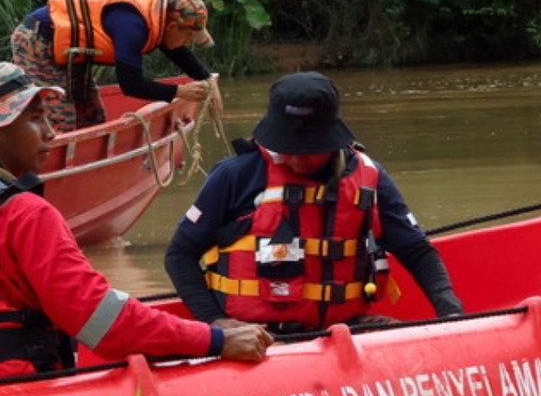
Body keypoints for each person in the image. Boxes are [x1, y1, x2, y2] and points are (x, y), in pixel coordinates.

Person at [0, 61, 271, 385]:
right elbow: (106, 324)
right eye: (35, 119)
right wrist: (213, 339)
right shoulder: (22, 214)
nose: (51, 133)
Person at [164, 72, 463, 337]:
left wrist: (450, 313)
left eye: (308, 150)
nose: (296, 158)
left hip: (348, 328)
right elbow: (180, 255)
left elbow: (417, 251)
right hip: (260, 337)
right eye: (287, 148)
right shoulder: (236, 174)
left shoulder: (369, 176)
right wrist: (215, 321)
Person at [10, 0, 217, 133]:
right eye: (188, 37)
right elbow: (131, 85)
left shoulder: (159, 16)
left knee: (93, 116)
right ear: (172, 26)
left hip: (70, 50)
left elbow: (174, 46)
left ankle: (87, 171)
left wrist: (205, 77)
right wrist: (180, 91)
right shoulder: (132, 27)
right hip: (36, 41)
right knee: (59, 119)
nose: (187, 44)